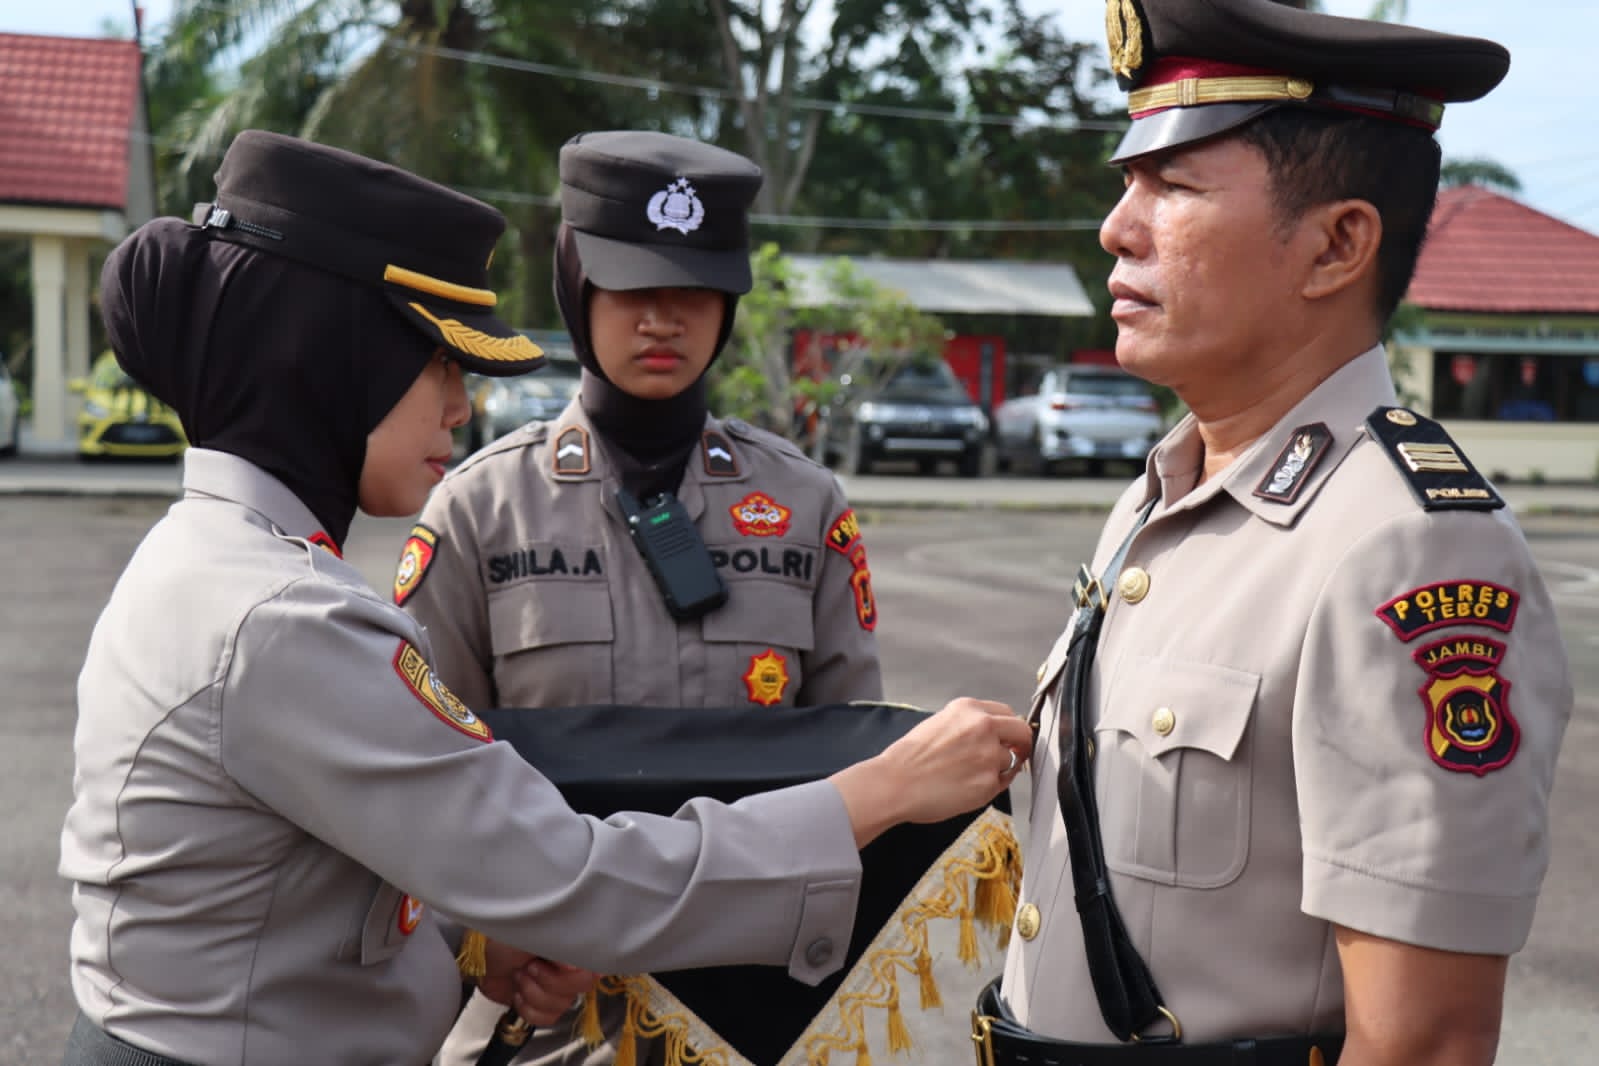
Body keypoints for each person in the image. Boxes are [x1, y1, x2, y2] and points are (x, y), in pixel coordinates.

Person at [56, 128, 1032, 1066]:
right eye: (439, 362)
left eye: (695, 291)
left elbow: (341, 894)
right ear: (337, 363)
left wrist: (486, 943)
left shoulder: (220, 563)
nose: (460, 404)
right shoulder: (285, 617)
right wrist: (879, 791)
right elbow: (565, 877)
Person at [976, 3, 1574, 1066]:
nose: (1117, 228)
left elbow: (1423, 1040)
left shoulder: (1405, 547)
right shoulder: (1165, 492)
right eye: (1127, 183)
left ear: (1337, 245)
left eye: (1173, 187)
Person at [410, 129, 885, 1066]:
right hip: (540, 1021)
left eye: (694, 290)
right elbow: (423, 777)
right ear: (576, 287)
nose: (663, 320)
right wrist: (501, 946)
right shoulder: (480, 510)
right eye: (631, 288)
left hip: (754, 1013)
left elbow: (854, 768)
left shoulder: (804, 507)